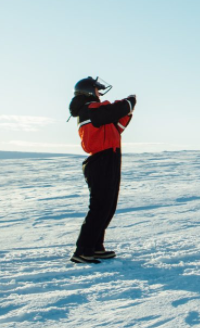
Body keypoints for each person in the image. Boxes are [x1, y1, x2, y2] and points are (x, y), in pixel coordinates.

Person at [68, 76, 136, 264]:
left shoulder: (98, 113)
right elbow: (114, 110)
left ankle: (96, 247)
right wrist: (129, 102)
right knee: (99, 208)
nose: (100, 93)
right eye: (97, 90)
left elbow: (117, 125)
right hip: (100, 161)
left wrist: (128, 111)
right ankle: (82, 251)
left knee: (108, 207)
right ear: (89, 91)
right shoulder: (90, 109)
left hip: (111, 158)